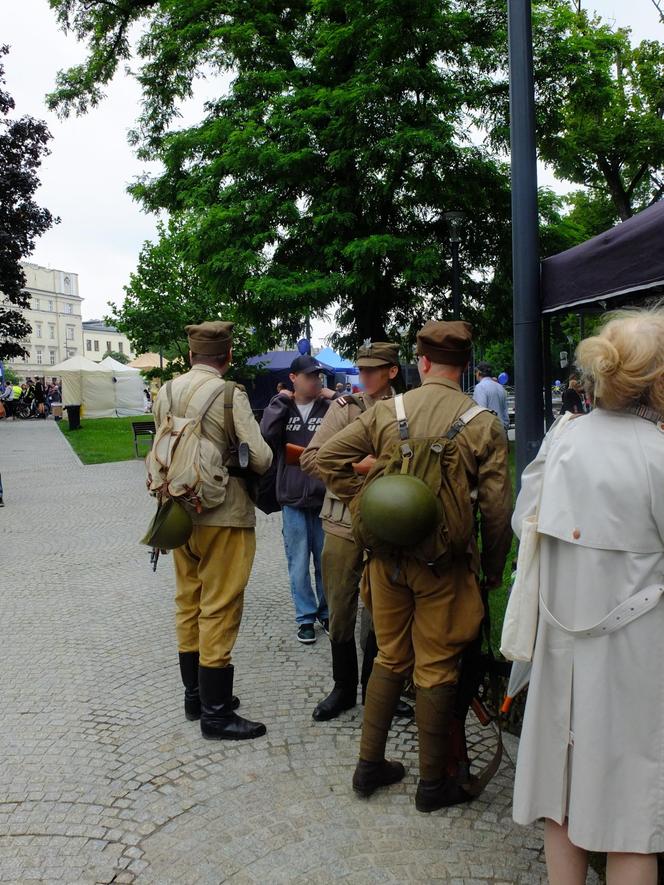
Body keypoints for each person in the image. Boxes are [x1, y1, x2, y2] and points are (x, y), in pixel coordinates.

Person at [317, 320, 512, 807]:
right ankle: (432, 784)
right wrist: (491, 568)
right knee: (437, 665)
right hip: (444, 568)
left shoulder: (387, 411)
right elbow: (497, 510)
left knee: (389, 656)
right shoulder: (481, 422)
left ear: (421, 363)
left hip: (386, 562)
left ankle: (368, 767)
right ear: (465, 367)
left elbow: (328, 459)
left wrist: (366, 499)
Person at [511, 309, 664, 885]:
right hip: (638, 657)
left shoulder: (565, 436)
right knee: (632, 815)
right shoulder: (658, 452)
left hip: (561, 642)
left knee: (562, 792)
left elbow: (526, 527)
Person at [152, 321, 273, 741]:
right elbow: (259, 457)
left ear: (189, 356)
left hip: (178, 511)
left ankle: (195, 697)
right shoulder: (229, 393)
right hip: (225, 513)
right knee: (220, 604)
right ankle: (216, 714)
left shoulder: (165, 391)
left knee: (188, 600)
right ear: (227, 356)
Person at [300, 341, 412, 721]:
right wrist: (361, 473)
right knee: (341, 605)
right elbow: (311, 459)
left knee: (385, 609)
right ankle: (343, 687)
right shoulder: (343, 408)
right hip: (344, 520)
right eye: (359, 370)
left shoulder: (408, 410)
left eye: (370, 370)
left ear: (391, 372)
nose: (362, 377)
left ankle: (377, 689)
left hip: (391, 522)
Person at [260, 354, 335, 644]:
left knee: (325, 561)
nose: (316, 380)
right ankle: (305, 617)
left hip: (323, 496)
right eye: (310, 376)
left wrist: (336, 394)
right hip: (291, 497)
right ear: (294, 378)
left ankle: (326, 613)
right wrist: (280, 401)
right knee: (298, 562)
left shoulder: (328, 407)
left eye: (318, 376)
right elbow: (266, 435)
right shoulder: (283, 407)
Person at [473, 362, 510, 432]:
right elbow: (505, 412)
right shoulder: (500, 387)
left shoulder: (480, 387)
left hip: (489, 433)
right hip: (502, 431)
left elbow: (480, 413)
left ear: (478, 373)